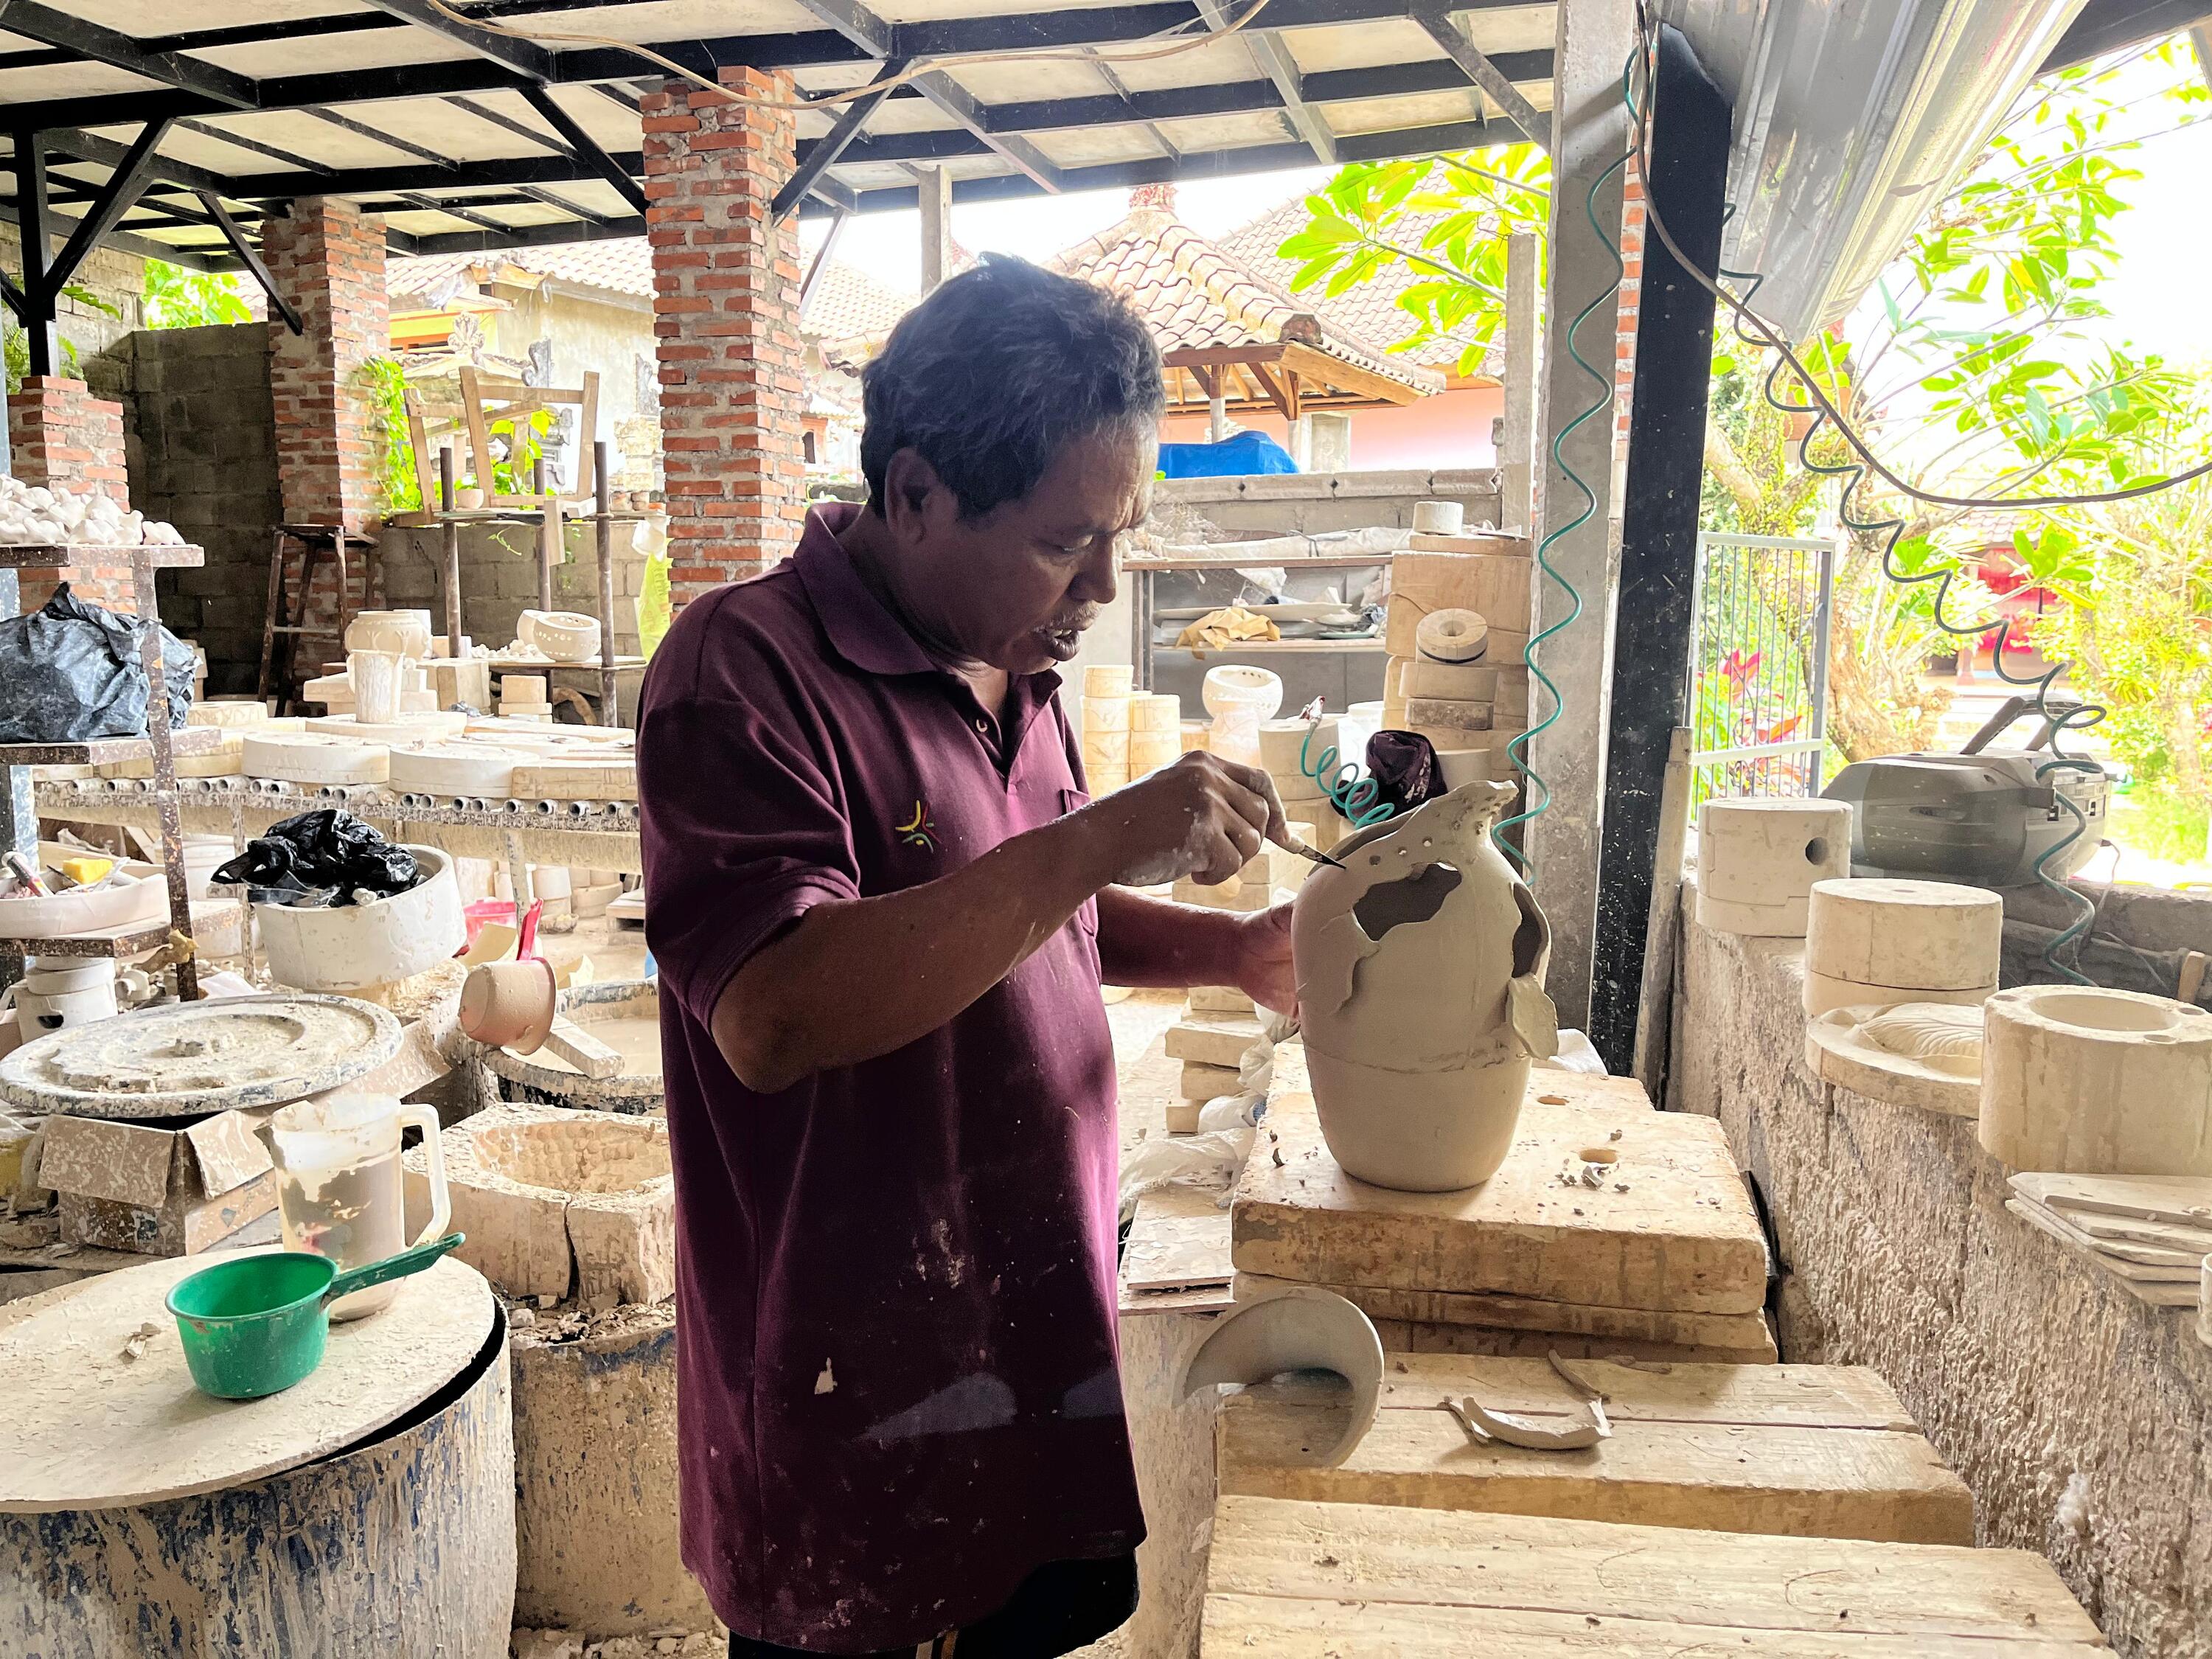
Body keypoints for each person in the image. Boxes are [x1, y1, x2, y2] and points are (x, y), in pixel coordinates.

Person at [637, 254, 1298, 1659]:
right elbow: (775, 1007)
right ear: (920, 492)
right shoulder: (742, 673)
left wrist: (1237, 952)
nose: (1105, 585)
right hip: (853, 1393)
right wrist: (1093, 839)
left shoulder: (1017, 665)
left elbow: (1020, 921)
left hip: (1027, 1329)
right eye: (1069, 540)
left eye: (1120, 534)